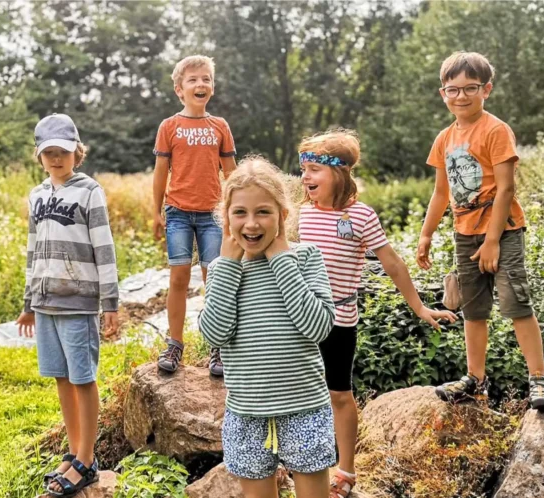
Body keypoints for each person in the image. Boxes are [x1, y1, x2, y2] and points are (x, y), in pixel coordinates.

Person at [297, 129, 457, 498]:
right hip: (301, 322)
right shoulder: (303, 214)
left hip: (338, 323)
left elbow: (393, 264)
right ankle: (304, 465)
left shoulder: (361, 216)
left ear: (339, 173)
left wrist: (419, 306)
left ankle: (346, 470)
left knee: (339, 394)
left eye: (314, 169)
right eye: (303, 169)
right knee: (302, 394)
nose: (305, 177)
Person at [416, 51, 544, 412]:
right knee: (474, 310)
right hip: (465, 234)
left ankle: (539, 380)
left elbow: (507, 188)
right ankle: (475, 381)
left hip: (503, 230)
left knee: (516, 304)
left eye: (470, 88)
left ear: (487, 89)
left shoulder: (495, 130)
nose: (461, 96)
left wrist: (493, 240)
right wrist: (426, 234)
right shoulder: (444, 138)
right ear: (442, 94)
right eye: (453, 89)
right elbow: (441, 192)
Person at [199, 156, 335, 498]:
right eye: (240, 213)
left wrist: (282, 261)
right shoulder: (222, 270)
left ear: (283, 215)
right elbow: (215, 334)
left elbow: (317, 327)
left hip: (304, 407)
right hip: (246, 413)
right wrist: (229, 266)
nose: (251, 223)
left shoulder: (306, 258)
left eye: (263, 212)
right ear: (226, 218)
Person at [15, 114, 119, 496]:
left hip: (78, 301)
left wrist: (110, 301)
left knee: (82, 378)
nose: (57, 158)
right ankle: (74, 451)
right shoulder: (37, 195)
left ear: (78, 151)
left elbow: (104, 248)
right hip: (45, 302)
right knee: (61, 376)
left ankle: (87, 460)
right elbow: (33, 249)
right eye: (49, 153)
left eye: (63, 151)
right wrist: (28, 300)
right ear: (39, 155)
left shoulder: (89, 191)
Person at [152, 55, 238, 376]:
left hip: (213, 215)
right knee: (178, 277)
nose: (200, 84)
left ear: (212, 88)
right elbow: (160, 172)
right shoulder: (169, 126)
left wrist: (236, 212)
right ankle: (175, 344)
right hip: (177, 213)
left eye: (206, 79)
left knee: (214, 280)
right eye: (193, 80)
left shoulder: (220, 127)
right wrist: (156, 213)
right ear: (179, 89)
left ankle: (218, 347)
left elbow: (231, 172)